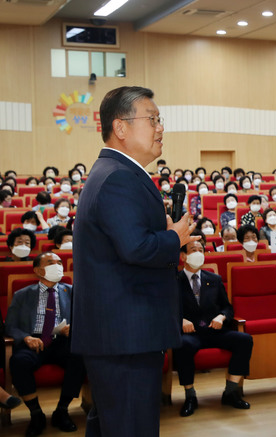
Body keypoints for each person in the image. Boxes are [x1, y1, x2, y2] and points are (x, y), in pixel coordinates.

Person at [72, 86, 199, 437]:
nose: (161, 128)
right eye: (152, 119)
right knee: (131, 427)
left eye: (160, 120)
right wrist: (176, 237)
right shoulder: (118, 178)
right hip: (125, 336)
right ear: (121, 127)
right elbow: (137, 248)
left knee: (114, 425)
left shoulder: (115, 172)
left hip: (120, 334)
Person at [6, 252, 86, 436]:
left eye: (59, 262)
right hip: (33, 341)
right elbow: (10, 325)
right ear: (38, 270)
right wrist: (26, 338)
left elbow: (86, 320)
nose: (58, 266)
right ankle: (36, 414)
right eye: (51, 262)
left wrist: (73, 328)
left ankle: (62, 411)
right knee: (19, 362)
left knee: (80, 357)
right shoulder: (22, 295)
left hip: (62, 340)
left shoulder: (72, 291)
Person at [174, 237, 253, 417]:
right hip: (191, 333)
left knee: (244, 340)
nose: (199, 254)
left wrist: (222, 316)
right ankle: (190, 396)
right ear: (183, 256)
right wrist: (180, 320)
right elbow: (165, 310)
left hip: (214, 330)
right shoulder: (174, 281)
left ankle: (231, 392)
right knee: (183, 346)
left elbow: (227, 307)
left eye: (201, 250)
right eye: (193, 250)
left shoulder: (214, 279)